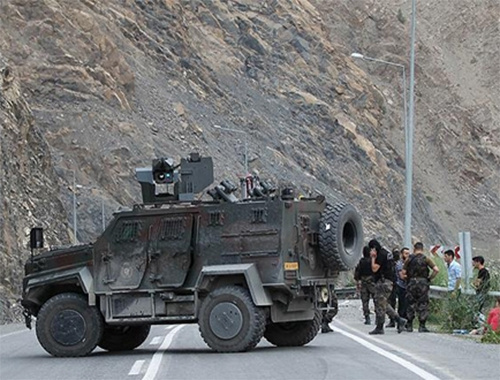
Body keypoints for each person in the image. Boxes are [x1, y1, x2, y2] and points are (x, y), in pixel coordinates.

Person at [368, 239, 407, 335]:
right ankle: (399, 320)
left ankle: (380, 327)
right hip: (389, 281)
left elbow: (374, 268)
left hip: (384, 282)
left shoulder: (380, 255)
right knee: (384, 303)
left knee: (380, 303)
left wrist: (373, 258)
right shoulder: (386, 253)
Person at [402, 242, 439, 332]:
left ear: (414, 248)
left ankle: (409, 324)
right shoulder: (426, 259)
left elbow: (403, 273)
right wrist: (429, 278)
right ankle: (422, 326)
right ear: (422, 249)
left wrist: (408, 278)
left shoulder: (409, 259)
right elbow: (436, 270)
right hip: (423, 283)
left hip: (411, 283)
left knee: (411, 303)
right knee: (423, 303)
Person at [354, 246, 375, 325]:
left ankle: (367, 317)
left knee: (365, 301)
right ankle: (378, 317)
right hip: (372, 282)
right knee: (376, 300)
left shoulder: (361, 262)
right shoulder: (372, 261)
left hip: (363, 282)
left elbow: (357, 273)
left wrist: (358, 281)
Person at [386, 248, 400, 328]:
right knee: (391, 302)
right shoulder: (390, 263)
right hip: (393, 284)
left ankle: (396, 320)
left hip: (398, 285)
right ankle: (393, 320)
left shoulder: (401, 263)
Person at [395, 247, 410, 320]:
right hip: (401, 286)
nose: (407, 255)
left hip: (408, 287)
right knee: (402, 305)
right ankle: (400, 320)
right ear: (402, 254)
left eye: (408, 254)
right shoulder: (400, 264)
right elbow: (402, 276)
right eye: (406, 253)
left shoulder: (409, 263)